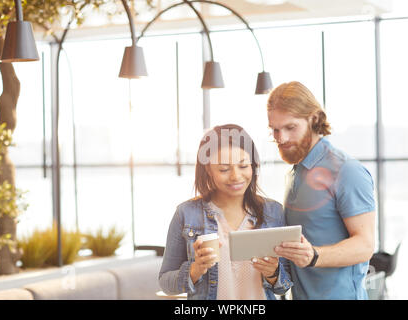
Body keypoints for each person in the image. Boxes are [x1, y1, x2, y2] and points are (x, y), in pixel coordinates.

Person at [267, 81, 376, 300]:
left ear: (314, 119)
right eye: (275, 130)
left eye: (290, 127)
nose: (281, 138)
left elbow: (365, 245)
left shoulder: (346, 170)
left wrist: (314, 255)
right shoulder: (296, 171)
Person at [159, 124, 293, 300]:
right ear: (208, 169)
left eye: (243, 166)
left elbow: (285, 284)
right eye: (224, 169)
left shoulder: (273, 211)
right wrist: (195, 270)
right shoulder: (186, 214)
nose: (236, 176)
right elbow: (165, 283)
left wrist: (273, 273)